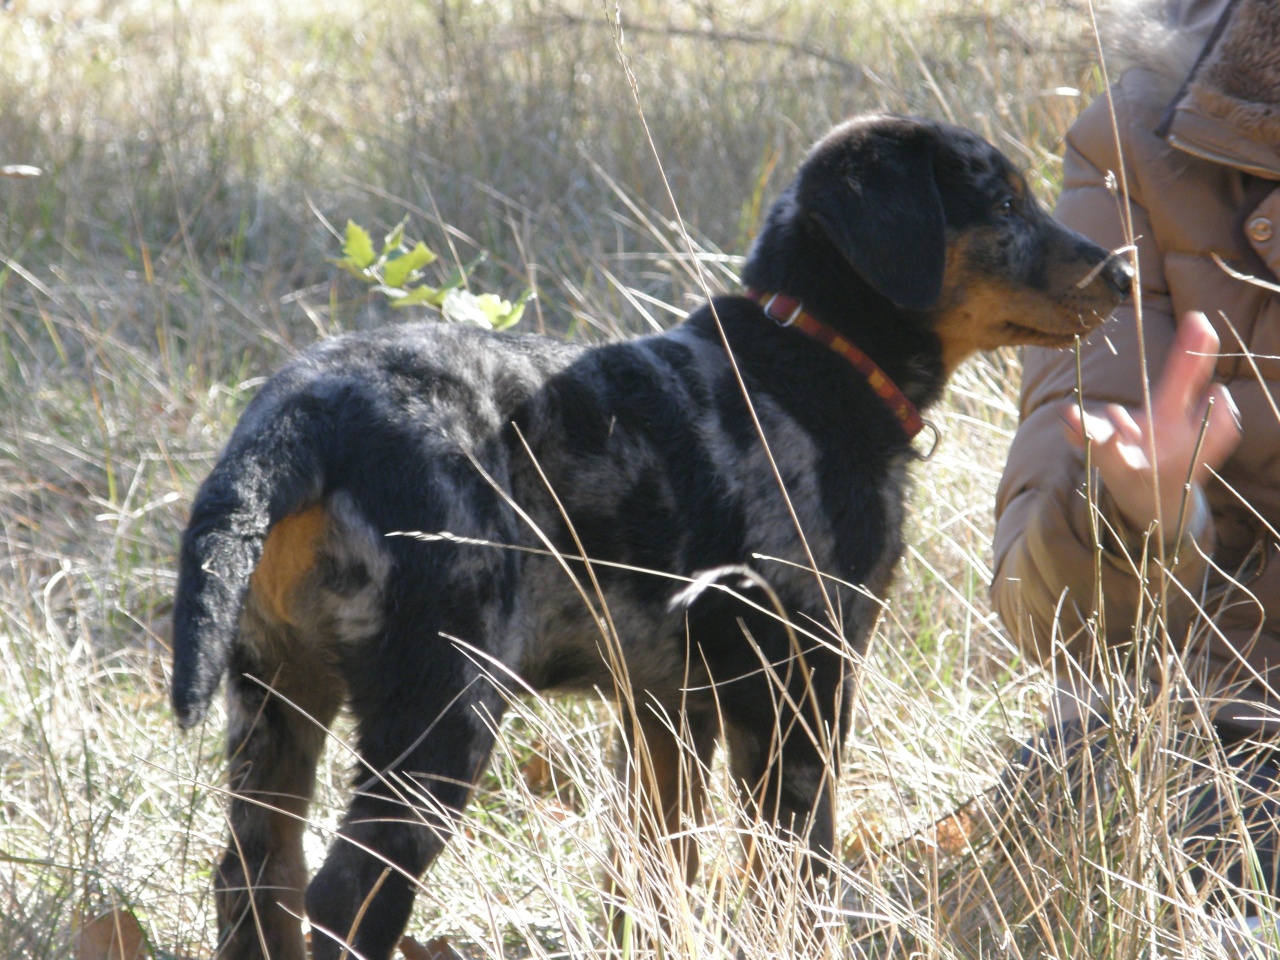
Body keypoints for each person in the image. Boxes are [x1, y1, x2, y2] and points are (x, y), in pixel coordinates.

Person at [991, 0, 1280, 900]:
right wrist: (1138, 513)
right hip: (1231, 715)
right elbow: (1052, 614)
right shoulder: (1137, 142)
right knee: (1129, 841)